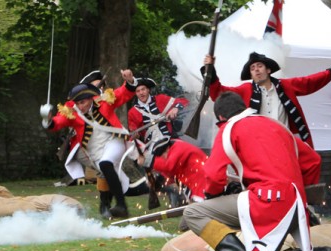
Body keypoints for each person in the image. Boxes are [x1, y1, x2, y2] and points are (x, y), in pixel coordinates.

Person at [182, 92, 331, 251]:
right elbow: (313, 161)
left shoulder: (229, 128)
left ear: (221, 117)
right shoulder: (278, 126)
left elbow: (213, 175)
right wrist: (301, 194)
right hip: (296, 206)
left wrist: (213, 196)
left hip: (266, 203)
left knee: (192, 213)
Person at [39, 69, 140, 219]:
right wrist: (48, 120)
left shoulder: (105, 101)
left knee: (106, 165)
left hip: (114, 141)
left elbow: (123, 93)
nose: (80, 107)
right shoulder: (72, 111)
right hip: (93, 151)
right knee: (105, 171)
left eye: (83, 102)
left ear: (92, 98)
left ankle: (121, 205)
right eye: (77, 103)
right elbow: (58, 122)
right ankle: (107, 205)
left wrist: (130, 80)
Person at [203, 52, 331, 148]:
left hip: (286, 141)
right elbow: (219, 94)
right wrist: (210, 71)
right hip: (260, 144)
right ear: (251, 74)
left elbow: (309, 82)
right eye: (252, 68)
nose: (256, 70)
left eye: (259, 66)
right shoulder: (245, 89)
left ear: (268, 70)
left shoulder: (285, 86)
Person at [137, 136, 208, 204]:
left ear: (167, 149)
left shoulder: (178, 148)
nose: (163, 159)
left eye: (162, 157)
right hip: (196, 184)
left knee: (199, 212)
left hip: (202, 182)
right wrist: (155, 182)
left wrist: (147, 160)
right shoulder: (175, 149)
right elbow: (170, 176)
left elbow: (169, 166)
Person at [123, 70, 188, 143]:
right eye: (138, 91)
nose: (141, 93)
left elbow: (183, 101)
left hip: (171, 139)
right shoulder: (132, 112)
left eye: (143, 89)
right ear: (135, 93)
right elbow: (134, 132)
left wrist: (176, 108)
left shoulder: (161, 98)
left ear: (148, 90)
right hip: (151, 146)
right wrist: (136, 135)